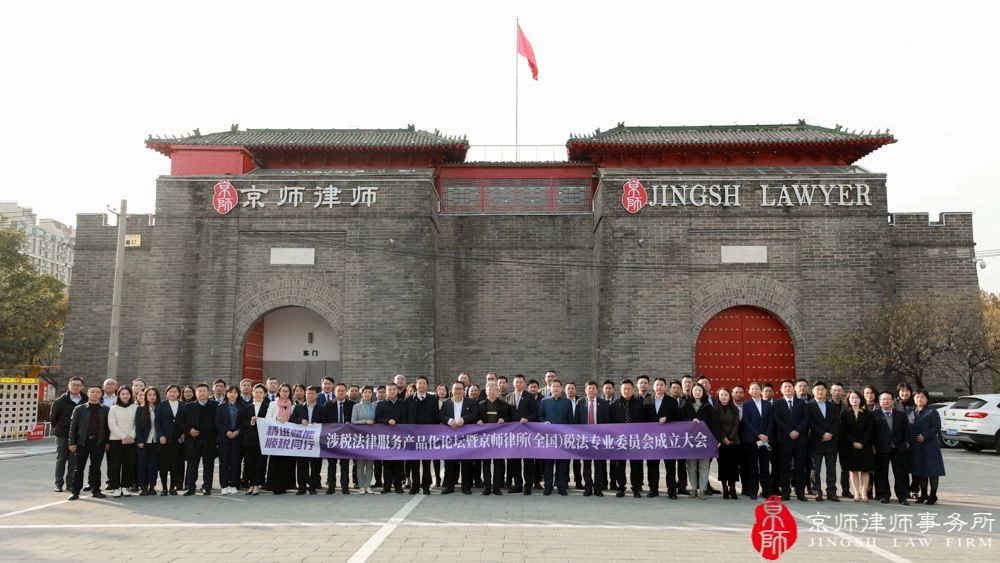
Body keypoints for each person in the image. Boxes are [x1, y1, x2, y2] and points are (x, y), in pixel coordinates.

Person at [67, 385, 109, 500]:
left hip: (98, 442)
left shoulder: (106, 409)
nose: (95, 394)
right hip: (82, 442)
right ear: (88, 393)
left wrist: (106, 442)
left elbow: (107, 428)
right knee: (78, 468)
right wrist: (72, 442)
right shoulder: (79, 409)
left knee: (96, 468)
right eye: (92, 392)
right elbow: (73, 427)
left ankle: (96, 490)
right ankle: (75, 491)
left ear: (101, 394)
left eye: (97, 392)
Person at [645, 377, 683, 498]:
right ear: (653, 387)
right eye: (657, 385)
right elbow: (643, 419)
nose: (659, 387)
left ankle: (671, 490)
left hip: (667, 438)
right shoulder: (647, 400)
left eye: (662, 385)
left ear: (665, 387)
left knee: (670, 465)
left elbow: (678, 417)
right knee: (652, 465)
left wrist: (667, 418)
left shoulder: (671, 401)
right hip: (652, 439)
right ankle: (653, 489)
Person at [440, 380, 479, 494]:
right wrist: (449, 420)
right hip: (451, 438)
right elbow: (440, 416)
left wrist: (464, 419)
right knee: (450, 463)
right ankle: (449, 487)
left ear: (464, 390)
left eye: (460, 389)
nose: (458, 391)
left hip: (466, 438)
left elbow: (475, 414)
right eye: (455, 388)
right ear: (452, 391)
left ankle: (466, 487)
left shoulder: (470, 402)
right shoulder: (447, 403)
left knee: (466, 463)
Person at [772, 380, 809, 502]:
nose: (787, 389)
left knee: (800, 467)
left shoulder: (801, 403)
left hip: (800, 440)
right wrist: (789, 431)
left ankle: (800, 493)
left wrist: (797, 431)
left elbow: (805, 419)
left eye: (790, 387)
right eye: (785, 387)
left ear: (794, 389)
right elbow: (777, 419)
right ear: (781, 390)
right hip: (784, 440)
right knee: (784, 467)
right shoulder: (777, 403)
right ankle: (786, 493)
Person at [610, 379, 647, 498]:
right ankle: (621, 488)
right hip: (619, 439)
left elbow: (644, 420)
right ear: (620, 390)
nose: (626, 391)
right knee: (620, 465)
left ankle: (636, 488)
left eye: (629, 388)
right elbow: (611, 422)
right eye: (624, 389)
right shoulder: (615, 404)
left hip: (635, 439)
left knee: (635, 465)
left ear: (633, 389)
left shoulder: (639, 403)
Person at [873, 392, 912, 505]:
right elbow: (872, 432)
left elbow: (907, 431)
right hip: (881, 448)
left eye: (888, 399)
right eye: (883, 399)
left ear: (893, 401)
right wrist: (873, 446)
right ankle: (884, 495)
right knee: (881, 472)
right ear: (879, 402)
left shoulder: (901, 415)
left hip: (898, 448)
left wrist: (906, 444)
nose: (886, 401)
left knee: (900, 473)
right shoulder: (874, 415)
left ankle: (902, 496)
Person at [908, 389, 944, 505]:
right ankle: (923, 494)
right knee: (920, 470)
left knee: (932, 471)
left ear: (927, 399)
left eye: (922, 397)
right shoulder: (909, 412)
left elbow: (936, 427)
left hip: (930, 445)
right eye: (917, 397)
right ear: (914, 399)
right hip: (915, 446)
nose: (920, 399)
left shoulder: (932, 412)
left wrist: (925, 435)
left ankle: (933, 495)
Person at [181, 383, 217, 495]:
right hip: (193, 441)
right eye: (199, 391)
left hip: (209, 441)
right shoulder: (188, 407)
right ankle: (190, 487)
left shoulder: (215, 406)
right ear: (196, 393)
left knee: (208, 465)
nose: (202, 393)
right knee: (192, 465)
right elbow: (181, 423)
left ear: (208, 393)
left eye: (204, 391)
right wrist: (189, 430)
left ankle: (207, 487)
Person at [682, 383, 717, 499]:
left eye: (700, 390)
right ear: (692, 392)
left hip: (704, 440)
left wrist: (716, 439)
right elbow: (680, 419)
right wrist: (691, 420)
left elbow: (713, 424)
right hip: (690, 440)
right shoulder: (686, 404)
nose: (697, 392)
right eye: (695, 390)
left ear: (703, 393)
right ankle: (693, 489)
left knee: (704, 466)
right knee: (691, 466)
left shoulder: (708, 406)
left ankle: (702, 490)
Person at [807, 381, 841, 502]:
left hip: (831, 442)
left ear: (826, 391)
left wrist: (830, 434)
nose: (820, 391)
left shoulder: (832, 406)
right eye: (818, 389)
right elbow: (810, 422)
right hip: (816, 441)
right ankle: (817, 490)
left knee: (831, 469)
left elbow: (837, 422)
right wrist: (822, 433)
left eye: (822, 389)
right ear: (813, 391)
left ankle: (832, 491)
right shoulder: (809, 405)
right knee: (815, 469)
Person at [506, 374, 538, 495]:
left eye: (520, 382)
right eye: (516, 382)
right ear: (513, 384)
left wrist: (527, 419)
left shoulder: (530, 397)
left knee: (528, 461)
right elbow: (507, 414)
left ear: (524, 384)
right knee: (515, 461)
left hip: (527, 434)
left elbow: (535, 413)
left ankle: (528, 485)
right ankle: (518, 485)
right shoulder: (509, 397)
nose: (518, 384)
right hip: (514, 434)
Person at [50, 376, 84, 492]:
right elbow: (53, 418)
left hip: (79, 435)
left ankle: (70, 484)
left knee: (73, 461)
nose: (75, 387)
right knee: (61, 459)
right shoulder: (60, 401)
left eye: (78, 385)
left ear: (82, 387)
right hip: (63, 434)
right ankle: (58, 484)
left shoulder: (85, 399)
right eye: (73, 384)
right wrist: (60, 429)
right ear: (69, 386)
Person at [839, 390, 874, 502]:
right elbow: (844, 430)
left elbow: (870, 430)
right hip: (850, 446)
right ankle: (856, 493)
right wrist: (853, 442)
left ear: (861, 399)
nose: (855, 400)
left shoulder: (867, 413)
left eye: (857, 398)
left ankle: (864, 493)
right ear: (849, 400)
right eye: (852, 398)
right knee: (853, 470)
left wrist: (862, 442)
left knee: (865, 470)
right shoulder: (844, 414)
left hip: (865, 445)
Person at [477, 381, 511, 495]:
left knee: (498, 463)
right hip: (485, 438)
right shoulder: (480, 404)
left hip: (499, 438)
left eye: (494, 389)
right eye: (489, 389)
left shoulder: (503, 404)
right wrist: (478, 421)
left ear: (497, 391)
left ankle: (496, 487)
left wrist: (503, 419)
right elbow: (476, 417)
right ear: (486, 391)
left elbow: (508, 418)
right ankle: (487, 487)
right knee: (486, 464)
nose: (491, 391)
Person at [576, 380, 610, 497]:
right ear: (585, 390)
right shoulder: (580, 402)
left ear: (597, 390)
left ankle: (598, 488)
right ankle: (588, 488)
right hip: (585, 439)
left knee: (599, 465)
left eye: (593, 388)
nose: (591, 390)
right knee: (586, 465)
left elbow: (607, 421)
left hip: (599, 439)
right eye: (589, 388)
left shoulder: (603, 403)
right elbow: (577, 421)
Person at [740, 382, 773, 500]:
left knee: (764, 466)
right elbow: (747, 422)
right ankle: (753, 490)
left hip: (765, 440)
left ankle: (766, 491)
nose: (754, 391)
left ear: (761, 391)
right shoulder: (746, 405)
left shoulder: (768, 404)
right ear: (749, 391)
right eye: (752, 389)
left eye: (757, 389)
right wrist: (758, 435)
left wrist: (766, 435)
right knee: (752, 466)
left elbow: (771, 421)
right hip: (751, 440)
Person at [290, 386, 325, 495]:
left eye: (312, 394)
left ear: (316, 396)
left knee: (315, 466)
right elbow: (291, 420)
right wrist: (300, 420)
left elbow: (326, 422)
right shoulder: (299, 407)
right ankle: (302, 487)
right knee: (301, 465)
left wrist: (318, 424)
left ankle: (313, 487)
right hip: (302, 441)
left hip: (316, 442)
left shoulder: (321, 408)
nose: (310, 396)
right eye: (308, 393)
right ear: (306, 394)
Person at [266, 383, 298, 494]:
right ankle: (274, 485)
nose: (285, 393)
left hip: (288, 438)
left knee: (286, 462)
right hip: (276, 437)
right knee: (275, 461)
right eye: (283, 391)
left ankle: (286, 485)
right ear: (279, 392)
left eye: (287, 391)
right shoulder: (272, 404)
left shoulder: (293, 405)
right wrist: (276, 418)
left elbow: (295, 420)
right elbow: (267, 418)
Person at [322, 382, 354, 494]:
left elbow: (354, 421)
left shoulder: (352, 405)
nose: (341, 392)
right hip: (332, 438)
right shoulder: (328, 404)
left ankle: (345, 487)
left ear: (346, 392)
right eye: (338, 391)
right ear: (335, 392)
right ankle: (331, 487)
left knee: (345, 464)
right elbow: (324, 421)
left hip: (346, 438)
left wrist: (350, 424)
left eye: (343, 391)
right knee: (331, 464)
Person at [374, 382, 406, 494]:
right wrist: (387, 421)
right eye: (390, 390)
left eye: (394, 389)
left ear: (397, 391)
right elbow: (377, 419)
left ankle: (398, 486)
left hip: (399, 437)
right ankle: (386, 486)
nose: (392, 391)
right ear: (386, 392)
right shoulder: (381, 404)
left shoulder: (403, 403)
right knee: (386, 464)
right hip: (386, 437)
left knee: (398, 463)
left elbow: (406, 418)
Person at [155, 384, 186, 494]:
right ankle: (164, 488)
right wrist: (161, 435)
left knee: (175, 464)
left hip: (178, 440)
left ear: (179, 393)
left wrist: (183, 434)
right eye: (170, 391)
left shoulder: (183, 405)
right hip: (164, 439)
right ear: (167, 393)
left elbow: (185, 421)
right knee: (163, 464)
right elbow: (157, 422)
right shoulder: (161, 405)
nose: (173, 394)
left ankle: (172, 487)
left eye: (175, 392)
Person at [107, 386, 138, 497]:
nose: (125, 395)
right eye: (123, 394)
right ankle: (115, 487)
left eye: (127, 393)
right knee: (115, 464)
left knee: (128, 464)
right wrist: (123, 437)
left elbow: (137, 424)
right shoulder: (113, 408)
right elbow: (112, 424)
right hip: (116, 440)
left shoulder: (135, 407)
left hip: (131, 440)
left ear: (131, 395)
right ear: (119, 395)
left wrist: (131, 436)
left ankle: (125, 486)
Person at [240, 384, 269, 495]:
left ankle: (257, 484)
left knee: (260, 463)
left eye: (261, 392)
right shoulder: (247, 407)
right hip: (249, 440)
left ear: (264, 394)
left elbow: (270, 421)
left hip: (262, 439)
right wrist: (251, 421)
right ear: (252, 393)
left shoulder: (268, 406)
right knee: (249, 463)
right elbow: (242, 423)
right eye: (256, 392)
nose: (258, 394)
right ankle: (251, 485)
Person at [712, 388, 741, 500]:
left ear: (730, 396)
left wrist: (730, 437)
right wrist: (723, 437)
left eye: (726, 395)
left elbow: (736, 424)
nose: (724, 397)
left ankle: (732, 488)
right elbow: (716, 426)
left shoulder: (734, 409)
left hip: (735, 441)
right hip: (721, 442)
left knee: (734, 466)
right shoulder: (715, 410)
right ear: (718, 396)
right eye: (722, 395)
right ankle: (725, 489)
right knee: (723, 466)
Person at [215, 385, 243, 495]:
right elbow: (218, 422)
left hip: (237, 438)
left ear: (238, 394)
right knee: (224, 463)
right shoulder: (220, 407)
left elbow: (243, 423)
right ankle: (224, 485)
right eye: (230, 392)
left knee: (235, 462)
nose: (233, 394)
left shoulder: (242, 407)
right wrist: (226, 431)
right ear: (226, 394)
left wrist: (237, 432)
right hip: (224, 438)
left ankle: (234, 485)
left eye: (235, 392)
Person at [351, 386, 378, 494]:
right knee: (360, 464)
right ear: (361, 394)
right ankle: (361, 486)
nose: (367, 394)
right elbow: (353, 421)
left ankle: (368, 486)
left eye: (369, 392)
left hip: (372, 438)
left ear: (372, 394)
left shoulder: (375, 406)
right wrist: (365, 421)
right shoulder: (356, 406)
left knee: (370, 464)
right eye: (365, 392)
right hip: (360, 438)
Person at [135, 387, 161, 495]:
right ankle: (143, 486)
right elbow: (138, 426)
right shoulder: (140, 409)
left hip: (156, 442)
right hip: (144, 442)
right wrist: (140, 440)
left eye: (154, 394)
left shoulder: (160, 408)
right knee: (142, 464)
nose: (152, 397)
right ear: (145, 396)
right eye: (149, 395)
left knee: (153, 465)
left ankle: (152, 486)